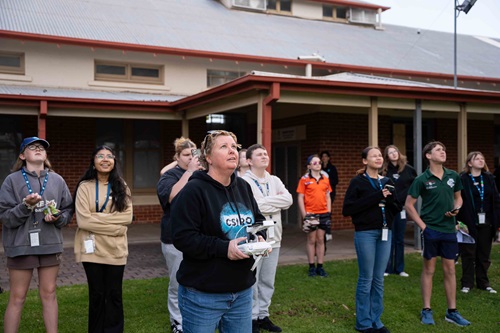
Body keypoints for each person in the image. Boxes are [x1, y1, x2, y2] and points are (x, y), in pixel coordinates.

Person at [170, 130, 267, 333]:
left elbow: (257, 219)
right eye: (223, 147)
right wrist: (224, 249)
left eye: (234, 146)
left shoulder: (243, 187)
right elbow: (183, 237)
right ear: (208, 157)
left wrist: (259, 237)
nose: (232, 151)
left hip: (242, 291)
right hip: (203, 294)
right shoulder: (193, 190)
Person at [0, 136, 73, 333]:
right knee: (18, 296)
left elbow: (67, 209)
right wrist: (25, 206)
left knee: (49, 293)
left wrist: (58, 218)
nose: (38, 149)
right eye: (32, 147)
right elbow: (5, 217)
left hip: (49, 244)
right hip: (21, 245)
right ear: (23, 155)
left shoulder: (57, 180)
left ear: (46, 154)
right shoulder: (11, 180)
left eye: (41, 147)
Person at [405, 141, 470, 327]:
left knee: (450, 269)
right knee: (429, 270)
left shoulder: (453, 176)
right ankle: (426, 310)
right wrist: (423, 227)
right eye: (438, 150)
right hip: (431, 230)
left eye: (444, 149)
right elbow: (409, 205)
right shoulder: (422, 179)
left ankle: (452, 312)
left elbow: (458, 198)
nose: (443, 152)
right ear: (428, 156)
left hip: (449, 230)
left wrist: (457, 209)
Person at [73, 145, 133, 333]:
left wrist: (96, 217)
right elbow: (83, 221)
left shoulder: (121, 186)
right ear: (93, 161)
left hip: (116, 250)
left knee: (114, 294)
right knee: (97, 294)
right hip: (91, 251)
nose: (105, 159)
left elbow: (127, 218)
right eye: (100, 156)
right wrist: (114, 228)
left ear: (114, 161)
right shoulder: (84, 187)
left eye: (109, 156)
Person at [342, 146, 400, 333]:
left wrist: (389, 200)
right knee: (366, 278)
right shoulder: (358, 182)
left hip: (385, 233)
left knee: (379, 279)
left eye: (379, 155)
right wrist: (378, 196)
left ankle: (377, 321)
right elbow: (348, 209)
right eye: (373, 155)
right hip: (365, 233)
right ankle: (364, 323)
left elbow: (396, 207)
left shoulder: (388, 181)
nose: (378, 158)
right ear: (365, 161)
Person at [242, 144, 293, 333]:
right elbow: (251, 206)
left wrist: (264, 203)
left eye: (265, 153)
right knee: (253, 279)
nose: (264, 156)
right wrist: (274, 202)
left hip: (275, 238)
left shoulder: (275, 180)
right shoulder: (244, 181)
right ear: (249, 161)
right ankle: (252, 318)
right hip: (256, 238)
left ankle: (263, 315)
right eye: (259, 154)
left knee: (268, 280)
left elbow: (288, 200)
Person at [157, 137, 201, 333]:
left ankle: (197, 317)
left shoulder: (203, 174)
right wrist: (189, 171)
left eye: (193, 154)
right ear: (177, 157)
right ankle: (177, 322)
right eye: (186, 154)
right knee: (177, 282)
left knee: (199, 280)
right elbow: (171, 196)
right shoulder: (170, 176)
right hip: (174, 238)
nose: (191, 157)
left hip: (199, 237)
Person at [456, 151, 500, 294]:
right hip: (468, 222)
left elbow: (496, 200)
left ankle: (483, 282)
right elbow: (457, 200)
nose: (481, 160)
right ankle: (467, 283)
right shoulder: (463, 179)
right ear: (469, 163)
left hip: (486, 222)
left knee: (483, 253)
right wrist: (457, 221)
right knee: (468, 253)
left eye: (482, 158)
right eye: (477, 159)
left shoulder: (489, 178)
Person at [381, 145, 417, 278]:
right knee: (389, 238)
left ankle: (400, 268)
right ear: (387, 156)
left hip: (402, 209)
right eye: (390, 153)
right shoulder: (384, 170)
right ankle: (387, 268)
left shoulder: (408, 169)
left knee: (399, 239)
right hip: (388, 208)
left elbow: (414, 186)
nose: (393, 154)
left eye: (395, 151)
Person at [296, 154, 332, 277]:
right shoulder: (304, 179)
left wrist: (329, 211)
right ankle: (311, 266)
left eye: (319, 163)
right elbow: (300, 197)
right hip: (310, 213)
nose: (318, 164)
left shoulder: (325, 179)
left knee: (321, 239)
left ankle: (320, 266)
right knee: (311, 239)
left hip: (323, 213)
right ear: (309, 166)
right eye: (315, 163)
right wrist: (304, 214)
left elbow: (328, 196)